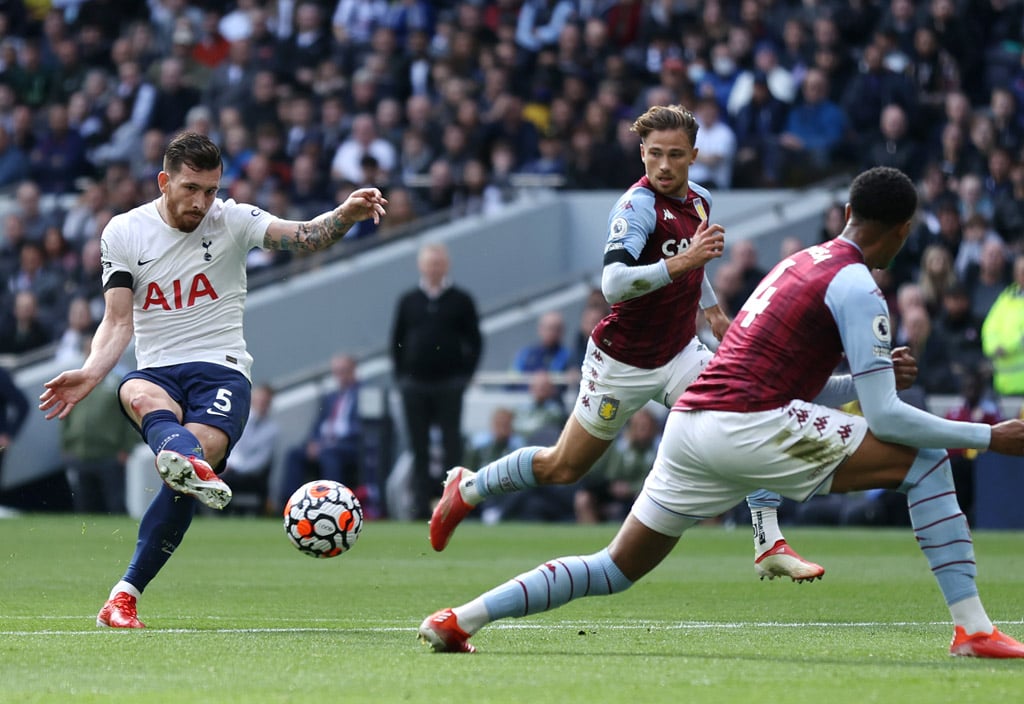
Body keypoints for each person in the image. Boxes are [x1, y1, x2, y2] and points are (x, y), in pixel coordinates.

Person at [418, 166, 1024, 659]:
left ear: (846, 215)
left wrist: (864, 379)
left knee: (614, 567)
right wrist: (989, 437)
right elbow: (888, 420)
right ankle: (971, 628)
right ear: (904, 231)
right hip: (745, 425)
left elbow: (778, 380)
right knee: (923, 458)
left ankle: (460, 618)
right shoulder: (859, 285)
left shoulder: (798, 264)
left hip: (692, 426)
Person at [429, 105, 824, 583]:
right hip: (621, 361)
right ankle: (468, 488)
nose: (663, 165)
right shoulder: (635, 207)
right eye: (654, 154)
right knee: (564, 466)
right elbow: (614, 284)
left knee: (748, 413)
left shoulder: (700, 200)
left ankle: (768, 541)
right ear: (641, 153)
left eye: (675, 155)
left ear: (694, 156)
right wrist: (686, 263)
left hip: (680, 352)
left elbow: (688, 261)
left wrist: (714, 312)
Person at [38, 131, 387, 629]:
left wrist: (346, 215)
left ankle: (131, 578)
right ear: (164, 181)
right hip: (156, 369)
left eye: (210, 190)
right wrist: (91, 373)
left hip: (220, 369)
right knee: (133, 390)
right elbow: (118, 322)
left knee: (182, 463)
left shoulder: (235, 220)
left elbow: (306, 235)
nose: (202, 202)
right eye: (190, 189)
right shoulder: (123, 232)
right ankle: (130, 583)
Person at [390, 242, 482, 520]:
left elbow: (475, 340)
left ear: (446, 266)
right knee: (418, 448)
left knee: (452, 445)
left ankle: (452, 506)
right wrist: (402, 377)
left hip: (449, 384)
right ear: (421, 266)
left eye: (438, 263)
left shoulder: (461, 299)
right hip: (415, 385)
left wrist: (464, 377)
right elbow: (397, 340)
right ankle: (420, 506)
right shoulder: (409, 300)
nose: (434, 268)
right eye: (430, 263)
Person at [60, 332, 137, 514]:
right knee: (84, 505)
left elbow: (130, 416)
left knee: (115, 504)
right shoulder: (76, 379)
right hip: (81, 452)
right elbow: (65, 413)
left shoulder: (120, 378)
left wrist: (127, 448)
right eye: (88, 349)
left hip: (109, 453)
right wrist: (66, 444)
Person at [277, 354, 361, 509]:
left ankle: (332, 505)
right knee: (294, 454)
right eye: (337, 372)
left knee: (329, 454)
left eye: (344, 371)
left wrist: (328, 444)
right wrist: (312, 443)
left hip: (347, 446)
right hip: (323, 445)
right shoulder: (330, 397)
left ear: (353, 370)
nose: (340, 376)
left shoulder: (362, 394)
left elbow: (360, 429)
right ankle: (289, 505)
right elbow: (317, 426)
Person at [221, 382, 279, 515]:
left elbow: (261, 461)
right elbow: (232, 446)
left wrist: (236, 468)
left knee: (226, 480)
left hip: (250, 475)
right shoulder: (239, 419)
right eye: (259, 400)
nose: (261, 404)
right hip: (230, 468)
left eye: (265, 401)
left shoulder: (272, 430)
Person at [981, 253, 1024, 396]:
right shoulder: (1007, 297)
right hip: (1003, 383)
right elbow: (990, 328)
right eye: (1019, 271)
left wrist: (1006, 347)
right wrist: (993, 347)